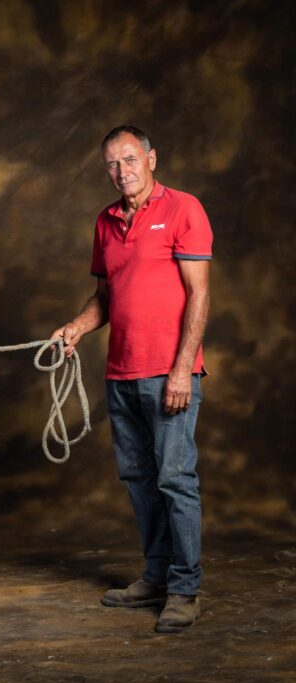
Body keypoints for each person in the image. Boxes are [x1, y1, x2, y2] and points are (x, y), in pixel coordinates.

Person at [52, 125, 212, 634]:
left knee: (175, 479)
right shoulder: (105, 222)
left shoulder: (184, 209)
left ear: (151, 159)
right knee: (140, 480)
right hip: (120, 375)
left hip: (169, 374)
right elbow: (106, 296)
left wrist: (183, 368)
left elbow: (199, 295)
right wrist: (76, 327)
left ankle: (185, 590)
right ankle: (157, 576)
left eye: (130, 159)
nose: (122, 171)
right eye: (112, 164)